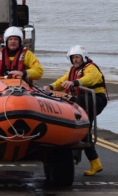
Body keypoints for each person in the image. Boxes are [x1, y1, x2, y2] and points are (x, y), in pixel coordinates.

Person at [43, 45, 108, 176]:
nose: (75, 60)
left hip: (95, 98)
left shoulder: (91, 68)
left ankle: (95, 163)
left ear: (83, 57)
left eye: (77, 57)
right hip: (83, 99)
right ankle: (95, 163)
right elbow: (63, 80)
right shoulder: (73, 70)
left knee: (82, 123)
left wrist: (76, 82)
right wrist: (51, 86)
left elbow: (90, 79)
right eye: (73, 58)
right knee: (85, 133)